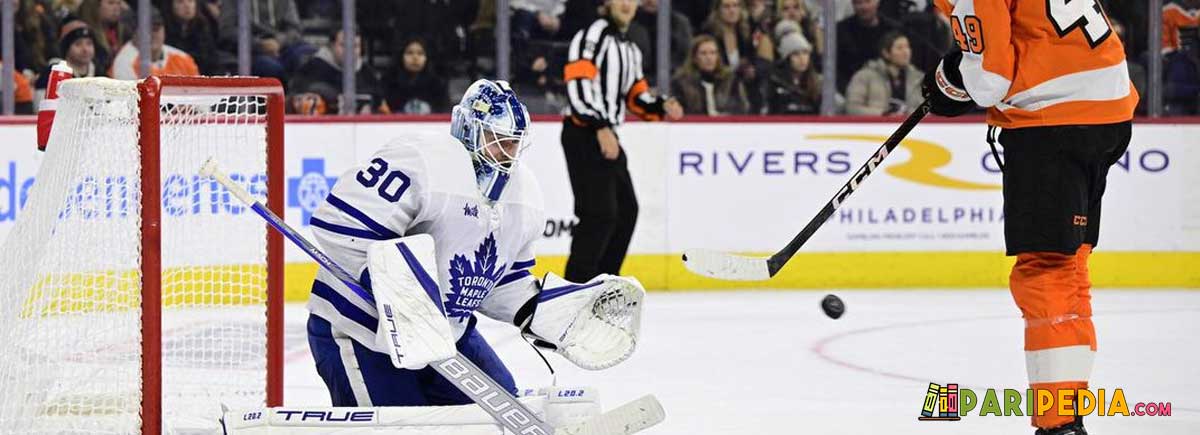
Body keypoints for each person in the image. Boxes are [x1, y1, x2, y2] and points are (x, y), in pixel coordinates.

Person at [304, 79, 646, 406]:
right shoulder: (421, 159)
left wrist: (549, 309)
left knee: (502, 411)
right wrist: (399, 294)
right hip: (362, 330)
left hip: (446, 337)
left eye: (512, 143)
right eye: (496, 139)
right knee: (399, 426)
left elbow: (498, 281)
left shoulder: (524, 195)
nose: (505, 153)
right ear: (468, 129)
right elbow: (340, 224)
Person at [924, 1, 1138, 434]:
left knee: (1046, 271)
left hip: (1053, 118)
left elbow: (989, 81)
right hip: (1107, 109)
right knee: (1070, 264)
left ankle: (1058, 423)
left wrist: (950, 81)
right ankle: (1068, 410)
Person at [561, 0, 683, 283]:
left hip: (606, 133)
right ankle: (575, 287)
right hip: (584, 132)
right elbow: (578, 85)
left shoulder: (629, 47)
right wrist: (600, 126)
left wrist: (661, 105)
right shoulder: (593, 35)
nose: (627, 3)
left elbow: (635, 95)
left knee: (626, 211)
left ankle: (604, 283)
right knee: (598, 214)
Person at [288, 28, 386, 115]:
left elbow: (381, 104)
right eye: (343, 45)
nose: (350, 51)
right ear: (331, 46)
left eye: (355, 46)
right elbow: (293, 101)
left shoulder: (367, 73)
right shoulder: (312, 68)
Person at [845, 31, 923, 115]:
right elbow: (852, 108)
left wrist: (907, 114)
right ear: (886, 53)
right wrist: (883, 114)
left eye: (908, 47)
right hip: (875, 127)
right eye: (900, 48)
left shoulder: (918, 78)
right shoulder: (865, 76)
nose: (906, 52)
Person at [670, 34, 751, 115]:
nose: (709, 58)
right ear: (694, 58)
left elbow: (742, 107)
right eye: (703, 53)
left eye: (713, 53)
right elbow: (675, 107)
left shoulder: (730, 80)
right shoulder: (681, 82)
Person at [109, 7, 199, 79]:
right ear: (134, 33)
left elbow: (197, 94)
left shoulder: (183, 59)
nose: (151, 35)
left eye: (156, 29)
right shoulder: (124, 63)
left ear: (164, 30)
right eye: (146, 30)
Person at [34, 16, 99, 106]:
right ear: (66, 49)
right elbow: (40, 106)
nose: (85, 49)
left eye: (89, 43)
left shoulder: (100, 73)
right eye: (78, 44)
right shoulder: (51, 74)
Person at [385, 38, 449, 114]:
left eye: (420, 53)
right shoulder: (390, 84)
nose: (415, 57)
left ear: (427, 58)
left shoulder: (438, 86)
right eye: (409, 53)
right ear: (401, 57)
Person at [766, 31, 821, 114]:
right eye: (796, 54)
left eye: (805, 53)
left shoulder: (817, 83)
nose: (802, 58)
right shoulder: (775, 82)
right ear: (787, 58)